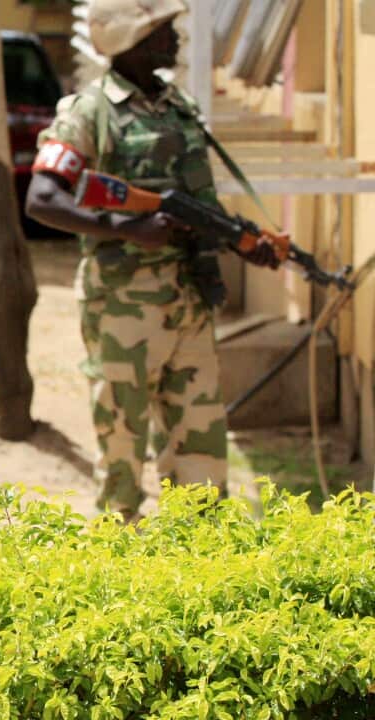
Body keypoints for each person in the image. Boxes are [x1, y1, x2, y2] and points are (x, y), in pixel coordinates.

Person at [24, 0, 277, 521]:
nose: (175, 37)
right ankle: (121, 575)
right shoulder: (88, 112)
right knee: (122, 456)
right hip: (124, 308)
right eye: (162, 30)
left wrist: (245, 241)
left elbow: (197, 202)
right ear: (130, 42)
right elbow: (42, 200)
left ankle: (196, 571)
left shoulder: (177, 107)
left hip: (189, 300)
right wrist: (128, 227)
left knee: (203, 460)